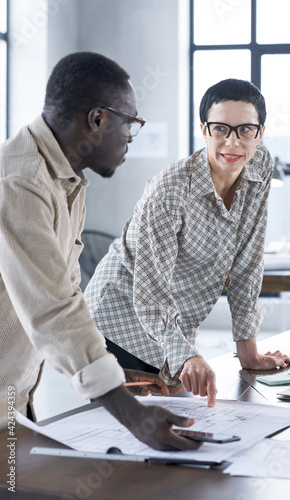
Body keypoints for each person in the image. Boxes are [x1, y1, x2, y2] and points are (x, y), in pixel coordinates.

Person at [0, 52, 201, 452]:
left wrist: (112, 377)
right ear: (98, 119)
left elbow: (61, 299)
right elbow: (53, 312)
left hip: (15, 403)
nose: (132, 135)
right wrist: (133, 417)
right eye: (131, 122)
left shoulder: (68, 178)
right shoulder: (19, 181)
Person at [84, 78, 290, 407]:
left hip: (172, 328)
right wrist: (186, 356)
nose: (233, 142)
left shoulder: (260, 166)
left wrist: (248, 352)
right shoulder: (172, 190)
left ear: (260, 132)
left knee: (180, 431)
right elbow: (150, 290)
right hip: (117, 319)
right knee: (125, 440)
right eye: (221, 129)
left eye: (245, 130)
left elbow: (248, 261)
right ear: (204, 129)